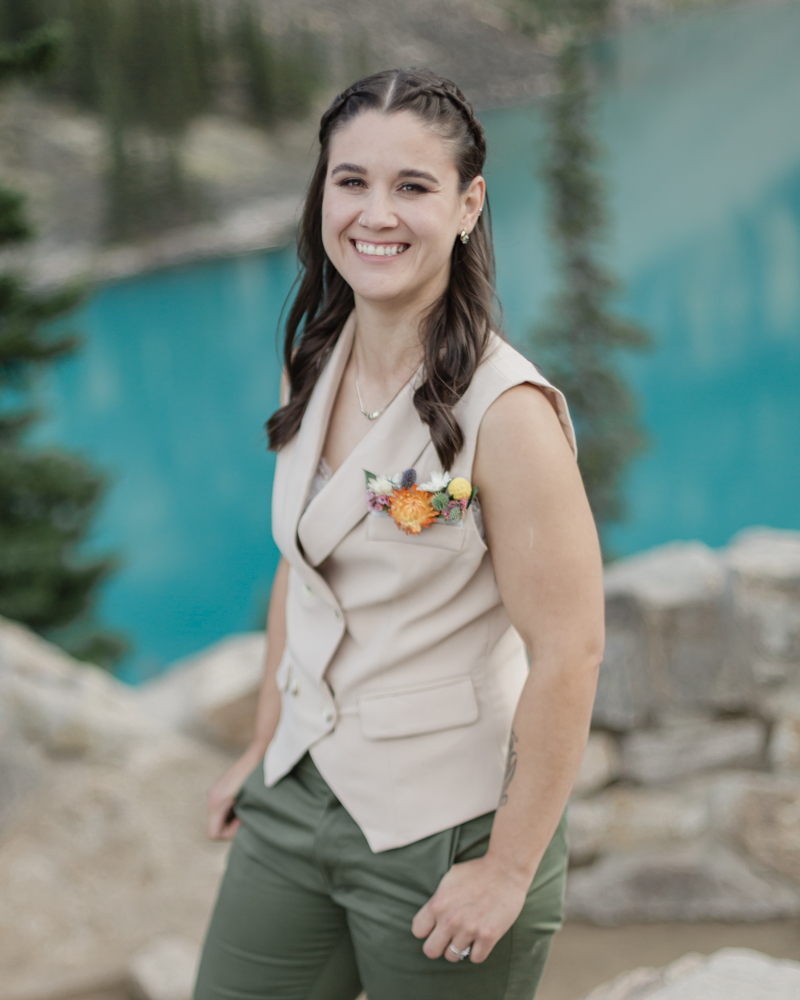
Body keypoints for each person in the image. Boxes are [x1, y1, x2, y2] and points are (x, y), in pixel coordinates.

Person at [193, 67, 604, 1000]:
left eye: (412, 187)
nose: (375, 213)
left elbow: (570, 651)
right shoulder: (317, 357)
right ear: (322, 195)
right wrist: (266, 744)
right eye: (352, 181)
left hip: (446, 826)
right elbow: (302, 571)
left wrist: (504, 870)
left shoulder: (511, 415)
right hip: (297, 800)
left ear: (468, 206)